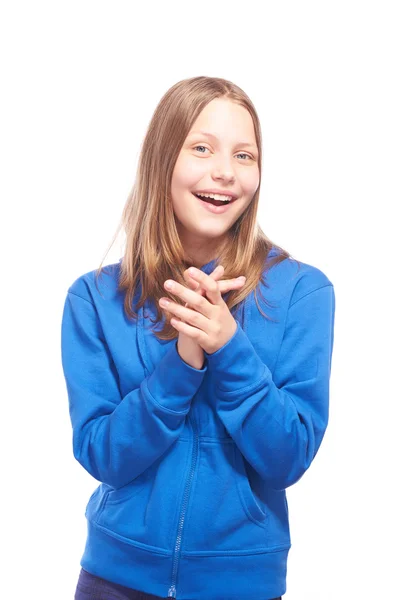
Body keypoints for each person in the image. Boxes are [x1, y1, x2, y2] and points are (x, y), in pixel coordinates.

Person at [61, 75, 335, 600]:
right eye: (202, 148)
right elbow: (102, 455)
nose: (224, 173)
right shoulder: (93, 299)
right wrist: (182, 364)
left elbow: (289, 457)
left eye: (244, 155)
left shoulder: (302, 292)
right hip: (114, 581)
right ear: (163, 158)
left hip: (242, 586)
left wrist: (229, 349)